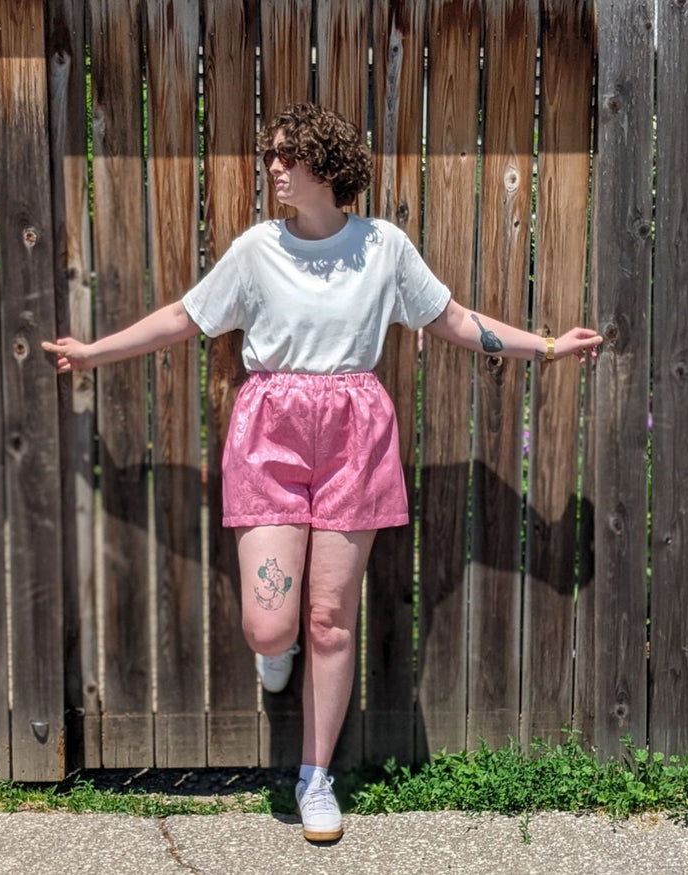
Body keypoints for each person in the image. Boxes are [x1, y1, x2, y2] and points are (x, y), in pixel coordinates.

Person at [43, 102, 602, 843]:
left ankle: (316, 776)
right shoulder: (255, 250)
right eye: (270, 155)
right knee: (269, 622)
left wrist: (548, 346)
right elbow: (186, 316)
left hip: (355, 435)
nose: (273, 167)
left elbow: (453, 319)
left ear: (326, 166)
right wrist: (92, 351)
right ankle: (279, 652)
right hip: (270, 433)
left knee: (332, 621)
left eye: (287, 156)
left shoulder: (385, 248)